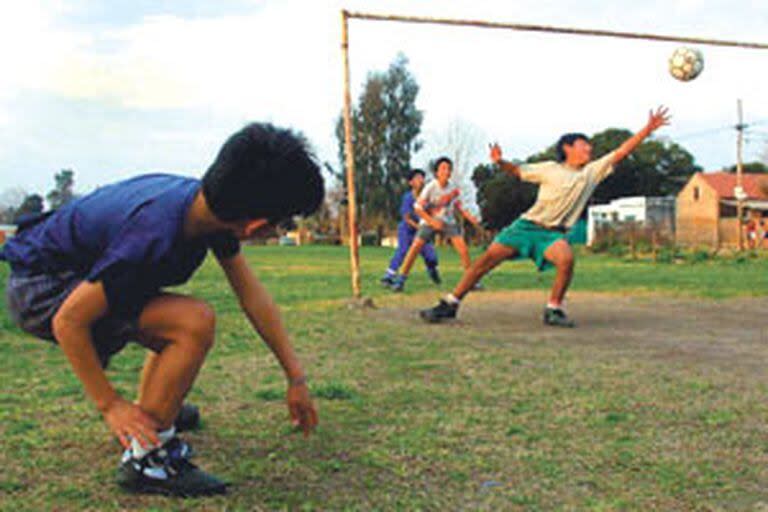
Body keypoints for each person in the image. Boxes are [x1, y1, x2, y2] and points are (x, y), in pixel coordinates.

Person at [0, 123, 322, 496]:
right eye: (286, 221)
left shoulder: (206, 210)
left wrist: (295, 377)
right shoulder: (153, 232)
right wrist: (111, 405)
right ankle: (148, 460)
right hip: (41, 286)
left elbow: (252, 296)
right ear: (258, 225)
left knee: (179, 319)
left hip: (67, 273)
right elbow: (69, 320)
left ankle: (154, 412)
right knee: (192, 321)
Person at [420, 106, 671, 327]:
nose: (589, 149)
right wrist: (500, 162)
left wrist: (647, 129)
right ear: (568, 148)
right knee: (484, 261)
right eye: (584, 144)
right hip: (525, 227)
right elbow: (518, 171)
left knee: (566, 258)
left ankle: (554, 308)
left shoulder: (592, 172)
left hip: (552, 234)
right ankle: (451, 303)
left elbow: (620, 152)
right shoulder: (550, 169)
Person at [390, 157, 483, 292]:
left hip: (448, 222)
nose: (447, 171)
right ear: (437, 172)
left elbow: (459, 207)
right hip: (429, 221)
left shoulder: (453, 189)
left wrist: (472, 219)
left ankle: (471, 282)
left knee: (463, 249)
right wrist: (432, 221)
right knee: (415, 247)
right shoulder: (430, 187)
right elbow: (418, 208)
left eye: (449, 169)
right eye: (443, 168)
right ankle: (400, 280)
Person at [380, 169, 441, 287]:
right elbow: (407, 217)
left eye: (422, 178)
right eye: (417, 178)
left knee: (430, 255)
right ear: (411, 183)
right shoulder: (408, 198)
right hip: (407, 230)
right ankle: (389, 276)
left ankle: (433, 272)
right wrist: (419, 227)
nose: (421, 180)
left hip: (422, 230)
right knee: (402, 251)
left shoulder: (427, 198)